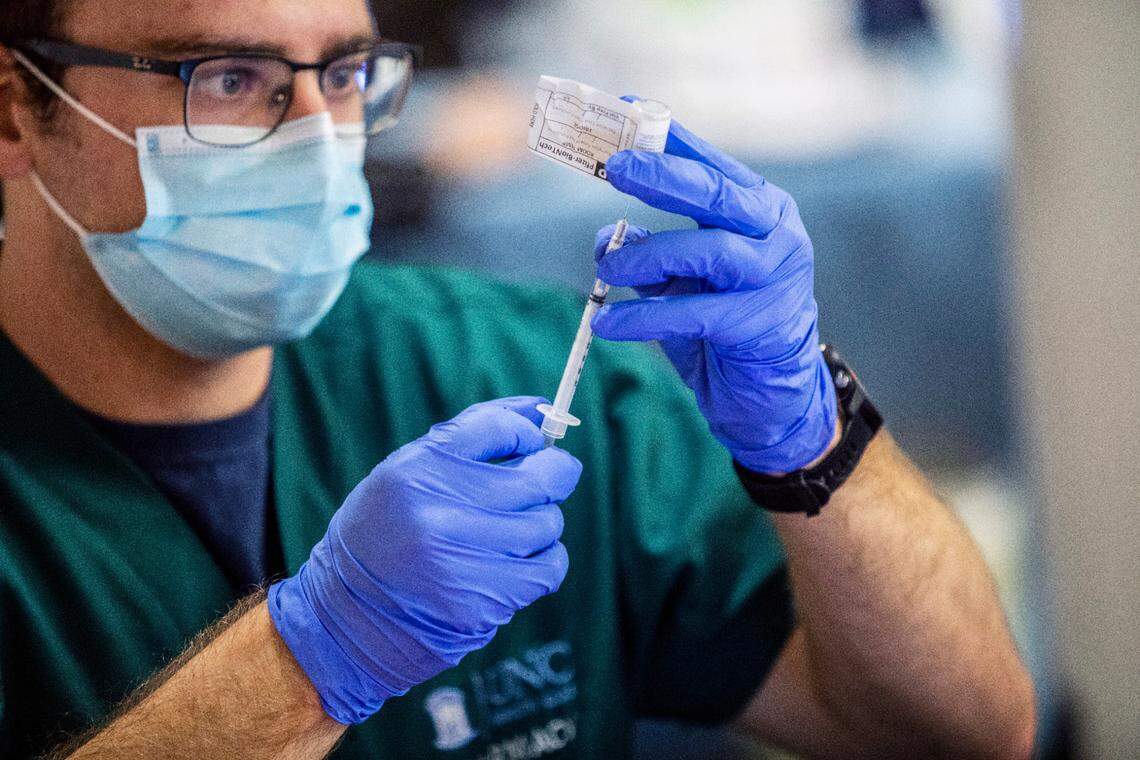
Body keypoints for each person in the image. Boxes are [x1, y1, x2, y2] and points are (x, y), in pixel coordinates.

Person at [0, 0, 1035, 758]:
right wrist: (311, 658)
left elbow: (968, 731)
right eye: (227, 79)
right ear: (14, 109)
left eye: (350, 75)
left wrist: (817, 439)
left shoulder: (527, 374)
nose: (319, 140)